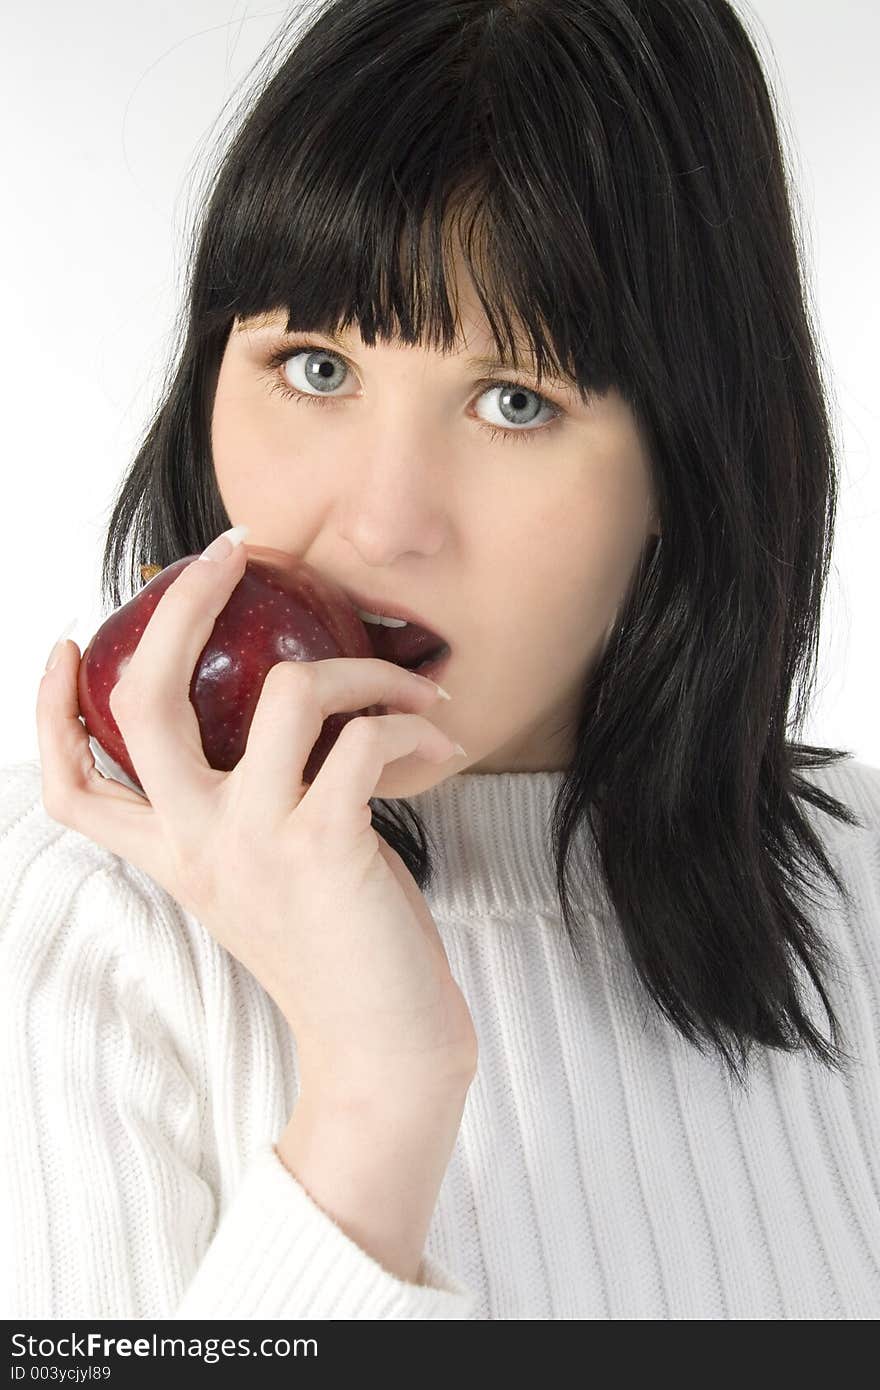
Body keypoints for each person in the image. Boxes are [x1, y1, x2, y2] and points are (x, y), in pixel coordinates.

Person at [3, 0, 879, 1320]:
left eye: (515, 400)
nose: (379, 522)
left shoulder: (856, 898)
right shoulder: (92, 930)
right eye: (312, 365)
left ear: (688, 465)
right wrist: (374, 1089)